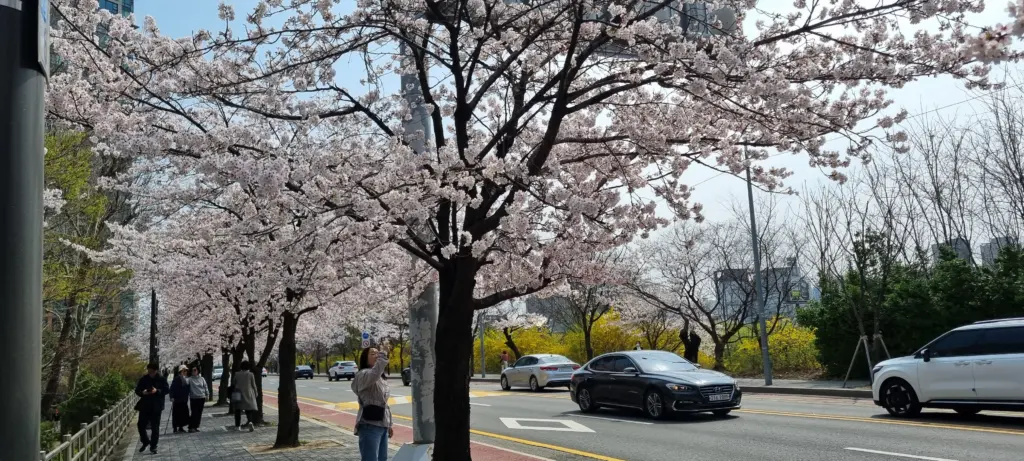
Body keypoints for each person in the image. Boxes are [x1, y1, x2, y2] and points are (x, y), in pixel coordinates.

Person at [352, 345, 393, 461]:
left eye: (378, 353)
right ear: (365, 358)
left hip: (382, 424)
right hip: (369, 425)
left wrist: (389, 424)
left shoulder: (380, 378)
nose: (377, 355)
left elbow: (385, 404)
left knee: (382, 459)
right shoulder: (363, 374)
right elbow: (375, 373)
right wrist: (383, 353)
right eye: (373, 354)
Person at [134, 363, 168, 454]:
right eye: (149, 371)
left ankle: (153, 446)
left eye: (152, 372)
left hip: (156, 406)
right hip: (145, 405)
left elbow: (166, 390)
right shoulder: (144, 379)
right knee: (141, 425)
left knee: (155, 427)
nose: (150, 373)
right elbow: (137, 390)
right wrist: (143, 392)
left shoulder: (161, 379)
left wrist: (157, 391)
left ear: (156, 370)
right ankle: (145, 441)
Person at [232, 360, 259, 432]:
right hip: (248, 394)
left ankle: (237, 426)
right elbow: (254, 385)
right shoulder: (251, 374)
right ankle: (250, 422)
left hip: (239, 394)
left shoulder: (237, 374)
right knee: (248, 410)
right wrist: (256, 393)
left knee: (237, 410)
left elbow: (234, 383)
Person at [169, 365, 191, 433]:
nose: (185, 372)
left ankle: (181, 427)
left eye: (186, 371)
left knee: (183, 413)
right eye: (184, 371)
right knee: (176, 414)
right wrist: (172, 397)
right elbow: (172, 388)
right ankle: (175, 428)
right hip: (177, 399)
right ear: (180, 371)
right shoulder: (177, 379)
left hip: (184, 399)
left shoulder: (187, 379)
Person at [187, 366, 209, 433]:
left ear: (198, 371)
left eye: (195, 370)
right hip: (194, 398)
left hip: (201, 397)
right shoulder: (189, 379)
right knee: (194, 413)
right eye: (192, 370)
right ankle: (191, 427)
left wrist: (207, 394)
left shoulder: (202, 378)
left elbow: (205, 387)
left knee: (199, 413)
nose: (194, 371)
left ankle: (196, 426)